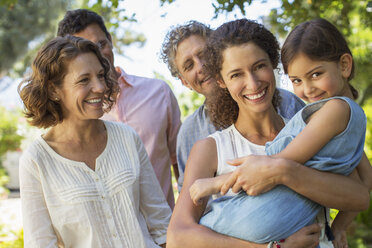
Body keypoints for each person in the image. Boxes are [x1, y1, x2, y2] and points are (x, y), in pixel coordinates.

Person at [166, 19, 370, 248]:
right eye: (236, 75)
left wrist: (284, 171)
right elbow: (177, 238)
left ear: (273, 63)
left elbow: (360, 196)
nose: (253, 84)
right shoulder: (210, 149)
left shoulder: (304, 126)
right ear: (221, 80)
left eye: (259, 66)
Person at [18, 35, 171, 248]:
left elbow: (161, 224)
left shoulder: (127, 138)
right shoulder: (36, 161)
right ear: (54, 90)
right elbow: (40, 244)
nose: (100, 87)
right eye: (84, 80)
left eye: (101, 76)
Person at [57, 9, 181, 209]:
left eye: (101, 44)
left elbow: (179, 160)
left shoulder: (159, 92)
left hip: (164, 228)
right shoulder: (71, 115)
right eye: (85, 51)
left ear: (110, 40)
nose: (97, 55)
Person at [160, 20, 305, 190]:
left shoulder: (286, 102)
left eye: (204, 54)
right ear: (185, 82)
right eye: (189, 65)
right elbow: (193, 196)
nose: (201, 66)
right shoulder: (191, 133)